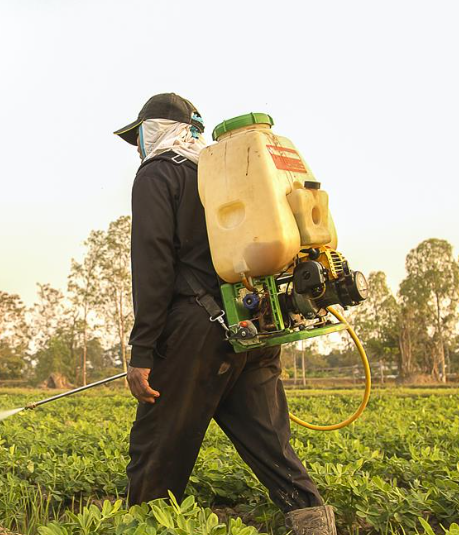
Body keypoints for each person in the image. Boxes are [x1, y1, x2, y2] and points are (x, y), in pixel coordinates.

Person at [114, 93, 337, 535]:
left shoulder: (159, 173)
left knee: (156, 445)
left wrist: (142, 351)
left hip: (196, 332)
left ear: (154, 130)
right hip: (253, 324)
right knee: (271, 443)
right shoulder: (227, 174)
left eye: (138, 135)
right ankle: (314, 523)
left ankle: (141, 528)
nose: (137, 147)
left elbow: (154, 263)